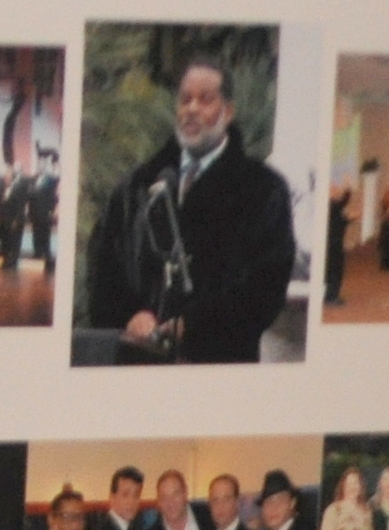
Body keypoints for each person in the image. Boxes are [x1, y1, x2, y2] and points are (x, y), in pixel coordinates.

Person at [88, 54, 297, 362]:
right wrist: (130, 315)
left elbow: (266, 285)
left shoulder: (263, 190)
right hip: (139, 363)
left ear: (228, 111)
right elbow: (103, 269)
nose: (192, 109)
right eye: (185, 99)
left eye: (206, 99)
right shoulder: (136, 187)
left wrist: (194, 324)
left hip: (218, 365)